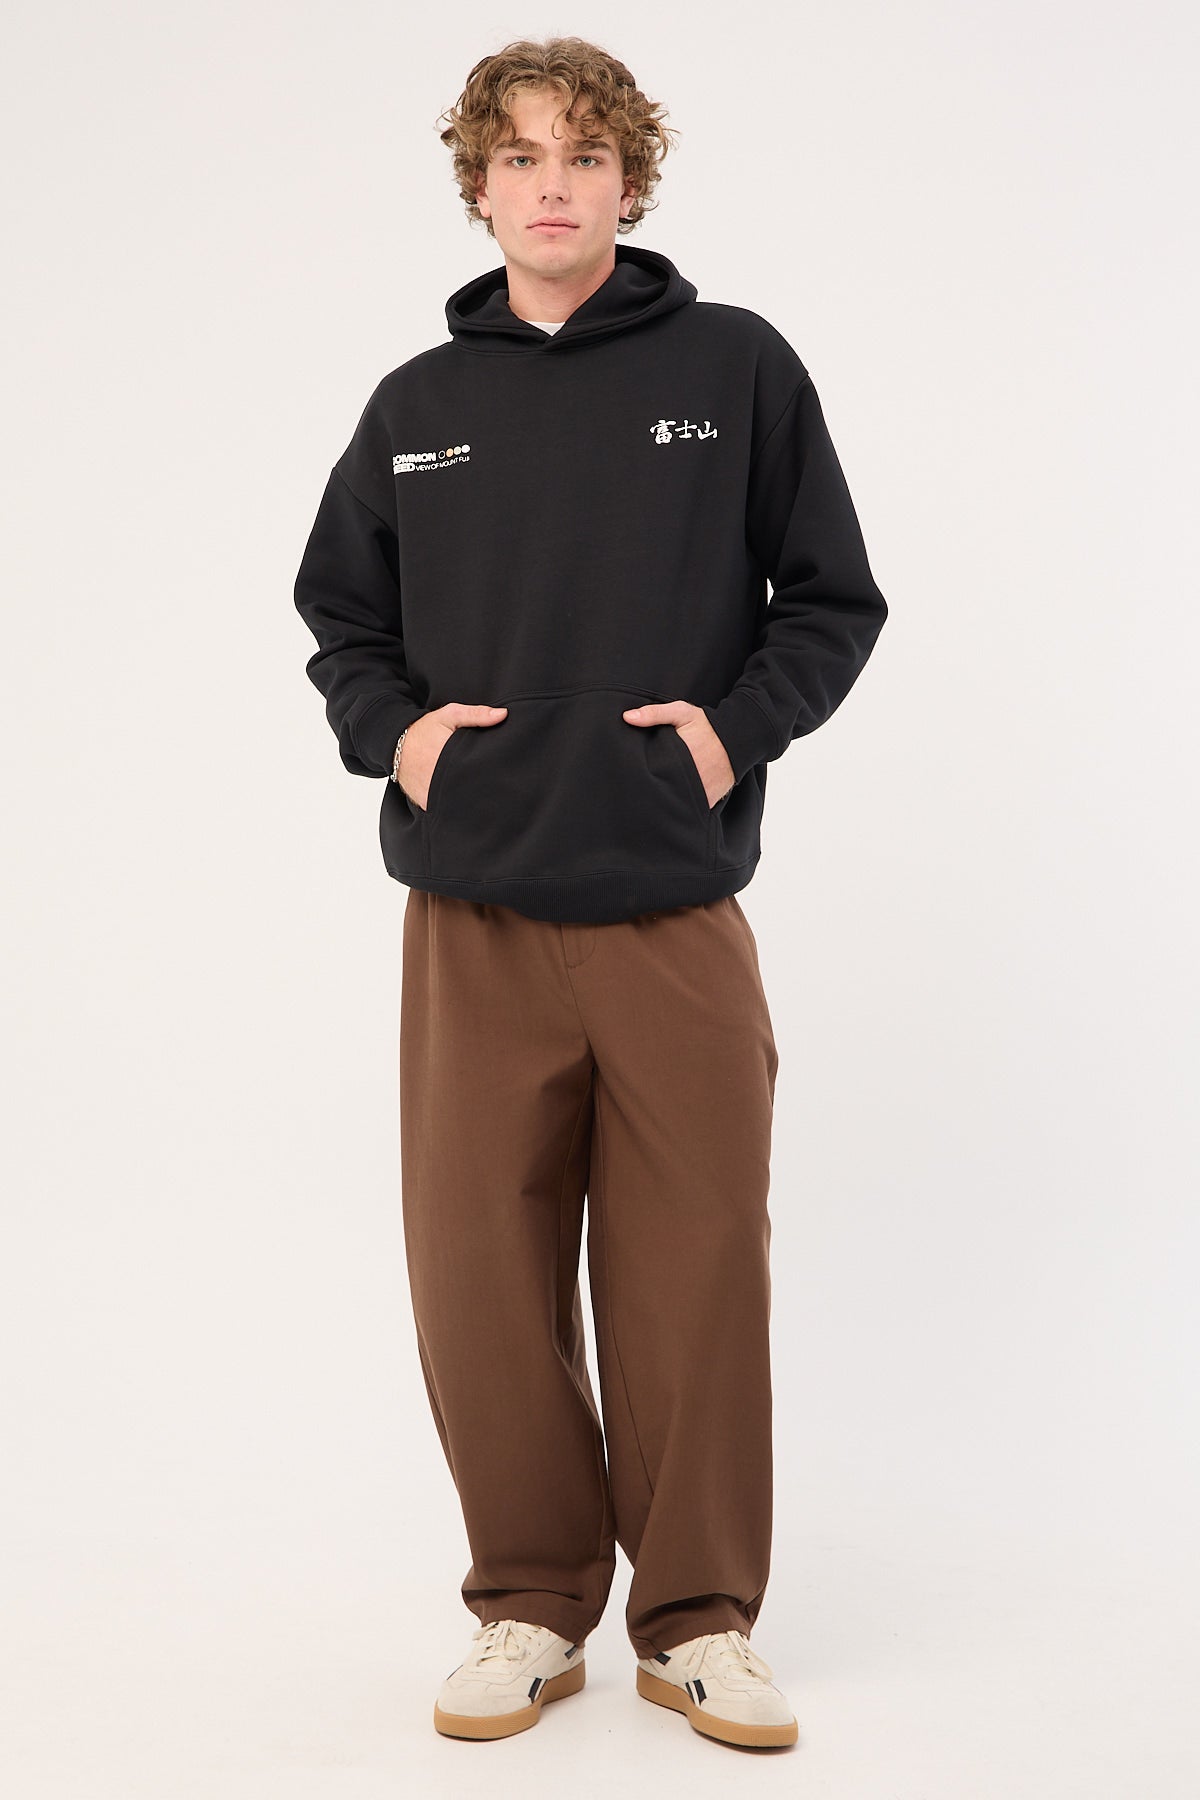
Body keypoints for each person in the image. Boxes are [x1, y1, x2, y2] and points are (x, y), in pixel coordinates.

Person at [294, 35, 887, 1752]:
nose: (551, 184)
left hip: (668, 904)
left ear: (631, 178)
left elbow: (830, 600)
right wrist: (402, 742)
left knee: (694, 1264)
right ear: (478, 186)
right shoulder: (417, 407)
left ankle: (698, 1623)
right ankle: (531, 1606)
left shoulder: (735, 366)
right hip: (472, 914)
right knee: (477, 1268)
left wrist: (725, 738)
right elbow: (343, 621)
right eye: (520, 156)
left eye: (584, 155)